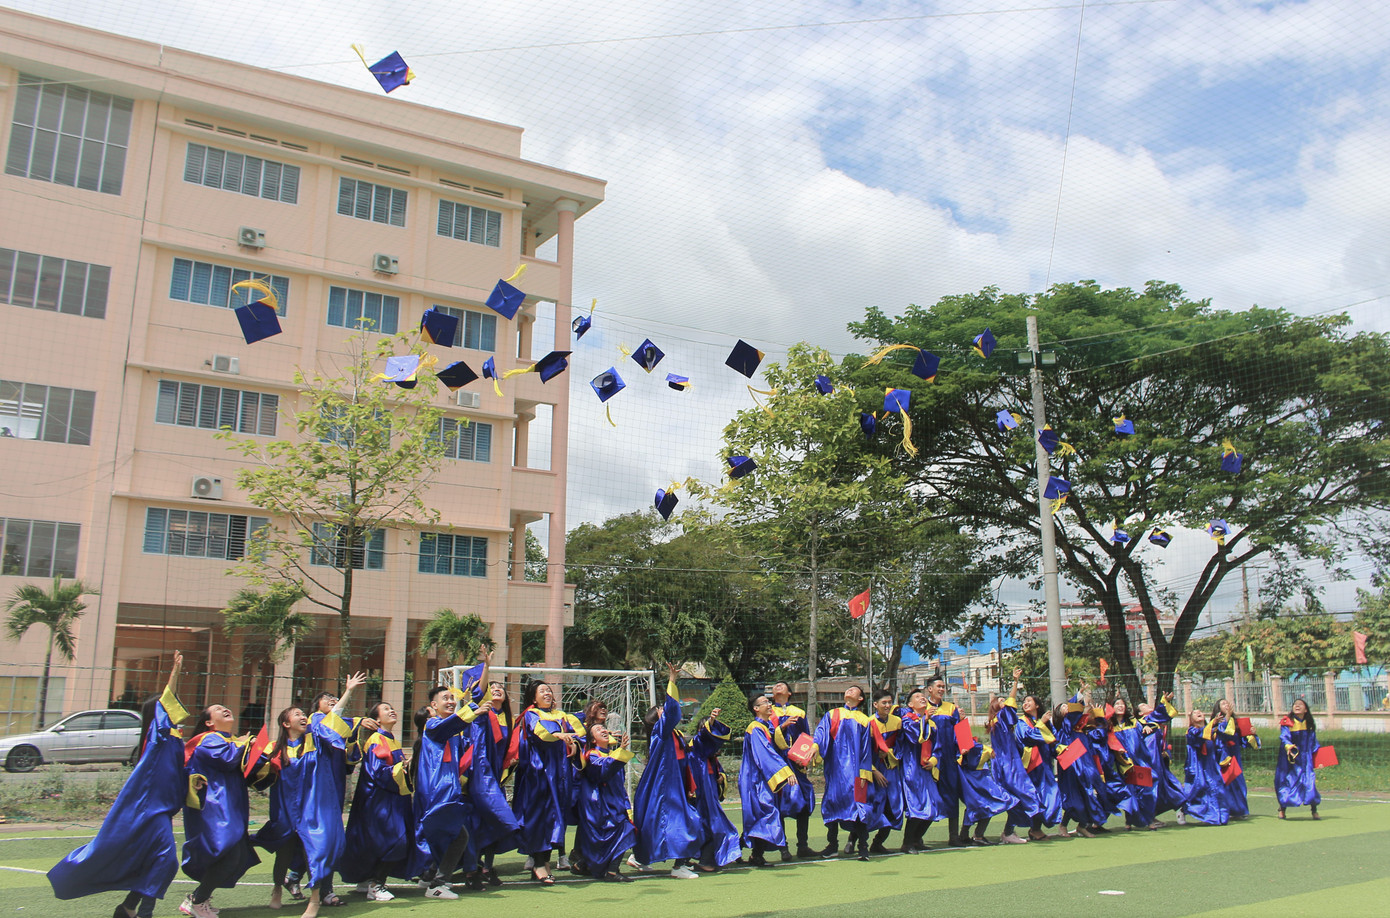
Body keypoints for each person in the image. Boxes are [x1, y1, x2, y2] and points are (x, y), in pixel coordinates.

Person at [48, 652, 188, 918]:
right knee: (167, 862)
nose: (176, 706)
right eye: (169, 705)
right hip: (150, 812)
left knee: (157, 862)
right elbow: (167, 701)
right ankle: (139, 911)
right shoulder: (158, 738)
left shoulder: (173, 740)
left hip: (162, 812)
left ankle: (128, 910)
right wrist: (175, 672)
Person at [257, 671, 367, 915]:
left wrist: (349, 691)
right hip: (286, 810)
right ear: (286, 723)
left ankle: (315, 899)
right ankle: (278, 887)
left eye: (303, 714)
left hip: (313, 808)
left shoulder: (317, 739)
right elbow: (257, 772)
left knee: (315, 851)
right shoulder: (275, 749)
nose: (302, 716)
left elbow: (334, 719)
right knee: (284, 854)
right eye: (297, 714)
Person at [180, 699, 277, 918]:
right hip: (215, 808)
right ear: (208, 722)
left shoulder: (231, 740)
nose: (225, 708)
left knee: (239, 855)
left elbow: (248, 770)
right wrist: (246, 743)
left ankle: (197, 898)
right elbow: (226, 760)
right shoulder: (208, 740)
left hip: (232, 806)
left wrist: (267, 761)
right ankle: (197, 901)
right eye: (217, 709)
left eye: (225, 707)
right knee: (230, 855)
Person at [633, 662, 704, 879]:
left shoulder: (672, 735)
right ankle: (678, 866)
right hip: (665, 788)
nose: (664, 710)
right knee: (687, 821)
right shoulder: (660, 732)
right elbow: (672, 712)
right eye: (660, 710)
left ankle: (639, 858)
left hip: (671, 785)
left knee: (655, 823)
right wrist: (672, 680)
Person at [412, 680, 482, 897]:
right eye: (446, 698)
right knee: (458, 837)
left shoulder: (451, 731)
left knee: (446, 835)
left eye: (453, 698)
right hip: (437, 794)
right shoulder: (433, 725)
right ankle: (437, 885)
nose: (451, 701)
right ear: (433, 706)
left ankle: (430, 876)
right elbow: (450, 725)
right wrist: (470, 708)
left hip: (445, 792)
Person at [340, 700, 412, 901]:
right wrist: (404, 768)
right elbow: (378, 772)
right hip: (379, 801)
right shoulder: (376, 740)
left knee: (380, 842)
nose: (392, 710)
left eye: (393, 707)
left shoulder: (392, 740)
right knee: (396, 840)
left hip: (391, 799)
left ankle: (368, 879)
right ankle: (376, 883)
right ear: (377, 719)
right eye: (386, 709)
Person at [510, 679, 580, 884]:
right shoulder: (531, 715)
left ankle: (545, 863)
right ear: (534, 698)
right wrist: (557, 735)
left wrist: (574, 743)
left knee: (555, 818)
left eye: (549, 690)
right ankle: (539, 864)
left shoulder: (562, 715)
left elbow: (580, 732)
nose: (547, 693)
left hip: (560, 772)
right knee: (541, 817)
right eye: (542, 691)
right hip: (540, 772)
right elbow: (540, 733)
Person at [812, 685, 875, 860]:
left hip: (854, 773)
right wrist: (815, 746)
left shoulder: (864, 720)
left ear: (861, 698)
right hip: (835, 769)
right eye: (849, 689)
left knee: (858, 807)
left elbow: (866, 750)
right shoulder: (833, 714)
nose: (850, 691)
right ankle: (832, 845)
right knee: (832, 803)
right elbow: (821, 734)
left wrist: (864, 772)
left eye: (854, 690)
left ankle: (863, 846)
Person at [471, 666, 521, 886]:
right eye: (493, 686)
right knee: (477, 822)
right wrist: (487, 666)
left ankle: (487, 867)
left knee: (495, 822)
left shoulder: (509, 719)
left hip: (497, 777)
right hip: (480, 776)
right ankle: (473, 866)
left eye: (501, 687)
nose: (497, 689)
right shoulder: (482, 714)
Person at [740, 695, 801, 866]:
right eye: (764, 702)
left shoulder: (766, 727)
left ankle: (755, 855)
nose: (769, 704)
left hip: (762, 778)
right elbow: (765, 755)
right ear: (756, 708)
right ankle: (736, 849)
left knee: (762, 816)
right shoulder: (755, 728)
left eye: (768, 701)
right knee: (765, 814)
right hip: (755, 779)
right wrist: (785, 771)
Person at [574, 721, 637, 881]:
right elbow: (603, 772)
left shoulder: (611, 754)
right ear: (593, 739)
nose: (603, 730)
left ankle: (594, 867)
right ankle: (603, 869)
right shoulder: (592, 755)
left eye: (603, 728)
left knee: (625, 831)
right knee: (614, 835)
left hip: (615, 803)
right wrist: (620, 753)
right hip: (600, 805)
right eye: (597, 729)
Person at [987, 672, 1042, 844]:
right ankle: (1008, 832)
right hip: (1008, 766)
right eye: (1001, 701)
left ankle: (1008, 832)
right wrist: (1015, 682)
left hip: (1007, 764)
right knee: (1026, 795)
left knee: (1015, 801)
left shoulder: (999, 723)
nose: (1006, 702)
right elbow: (1011, 707)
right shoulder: (1000, 719)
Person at [686, 708, 743, 871]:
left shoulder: (710, 757)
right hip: (700, 791)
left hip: (709, 790)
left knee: (712, 824)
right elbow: (704, 738)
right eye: (705, 730)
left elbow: (719, 772)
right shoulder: (695, 746)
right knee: (708, 824)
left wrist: (721, 778)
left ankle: (708, 859)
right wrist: (711, 722)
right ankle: (703, 861)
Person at [768, 681, 817, 857]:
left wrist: (804, 758)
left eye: (782, 685)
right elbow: (767, 736)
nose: (778, 687)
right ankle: (783, 847)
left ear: (789, 692)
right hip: (778, 763)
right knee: (779, 804)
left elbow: (806, 737)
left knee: (803, 802)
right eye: (775, 686)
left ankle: (802, 845)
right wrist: (783, 726)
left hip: (796, 763)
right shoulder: (768, 712)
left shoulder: (799, 712)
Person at [956, 710, 1017, 846]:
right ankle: (967, 835)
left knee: (987, 802)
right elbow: (968, 751)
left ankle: (973, 835)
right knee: (980, 803)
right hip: (970, 775)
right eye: (957, 709)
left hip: (979, 773)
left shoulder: (962, 727)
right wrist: (986, 750)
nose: (961, 710)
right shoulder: (954, 727)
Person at [896, 687, 942, 853]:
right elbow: (916, 737)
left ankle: (916, 839)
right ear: (910, 704)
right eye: (917, 696)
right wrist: (925, 719)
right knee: (917, 805)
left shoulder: (932, 723)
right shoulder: (907, 720)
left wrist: (934, 759)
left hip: (927, 769)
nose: (922, 698)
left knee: (934, 804)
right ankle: (907, 842)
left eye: (923, 696)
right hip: (912, 768)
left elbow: (939, 745)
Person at [923, 674, 966, 846]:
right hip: (928, 760)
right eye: (938, 686)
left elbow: (961, 731)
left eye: (943, 686)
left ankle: (954, 836)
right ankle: (915, 838)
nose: (941, 689)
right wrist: (924, 717)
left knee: (952, 796)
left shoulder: (951, 708)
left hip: (949, 760)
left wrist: (963, 753)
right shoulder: (922, 707)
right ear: (929, 689)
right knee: (927, 797)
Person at [1017, 695, 1063, 840]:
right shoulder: (1022, 722)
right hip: (1031, 766)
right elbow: (1028, 738)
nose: (1025, 703)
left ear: (1037, 705)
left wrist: (1061, 749)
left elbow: (1052, 741)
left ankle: (1038, 827)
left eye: (1029, 701)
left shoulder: (1045, 723)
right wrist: (1041, 723)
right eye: (1024, 702)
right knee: (1035, 798)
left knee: (1051, 795)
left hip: (1044, 765)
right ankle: (1034, 829)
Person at [1109, 698, 1159, 830]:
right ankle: (1128, 821)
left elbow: (1149, 727)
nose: (1120, 706)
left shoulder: (1133, 722)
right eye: (1117, 704)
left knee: (1146, 791)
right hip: (1123, 764)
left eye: (1122, 704)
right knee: (1129, 792)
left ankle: (1149, 820)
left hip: (1139, 762)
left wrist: (1147, 727)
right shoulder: (1110, 726)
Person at [866, 688, 904, 854]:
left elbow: (901, 746)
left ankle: (878, 842)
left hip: (891, 768)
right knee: (870, 805)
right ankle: (855, 840)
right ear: (875, 704)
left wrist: (892, 755)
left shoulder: (897, 722)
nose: (887, 705)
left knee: (893, 806)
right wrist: (873, 770)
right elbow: (863, 751)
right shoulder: (868, 723)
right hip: (873, 770)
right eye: (884, 703)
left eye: (890, 702)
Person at [1181, 708, 1230, 826]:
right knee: (1197, 788)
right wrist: (1213, 723)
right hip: (1197, 765)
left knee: (1217, 788)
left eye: (1200, 712)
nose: (1198, 713)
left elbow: (1219, 746)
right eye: (1195, 713)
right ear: (1191, 719)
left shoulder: (1212, 731)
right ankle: (1182, 809)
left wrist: (1224, 759)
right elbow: (1199, 736)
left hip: (1211, 765)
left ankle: (1219, 816)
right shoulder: (1192, 731)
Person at [1275, 697, 1321, 819]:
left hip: (1306, 759)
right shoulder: (1287, 722)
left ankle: (1314, 810)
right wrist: (1288, 746)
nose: (1297, 706)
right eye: (1295, 704)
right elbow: (1284, 737)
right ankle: (1282, 808)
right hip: (1291, 758)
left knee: (1309, 782)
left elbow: (1313, 742)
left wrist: (1318, 757)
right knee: (1287, 781)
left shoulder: (1309, 724)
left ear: (1306, 709)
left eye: (1300, 704)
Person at [1210, 698, 1254, 819]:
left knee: (1238, 782)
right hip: (1222, 756)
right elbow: (1221, 734)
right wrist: (1227, 718)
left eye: (1227, 703)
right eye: (1223, 704)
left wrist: (1251, 734)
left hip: (1235, 756)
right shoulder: (1216, 722)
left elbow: (1243, 740)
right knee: (1225, 783)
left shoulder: (1236, 722)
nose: (1226, 705)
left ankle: (1239, 810)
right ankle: (1224, 810)